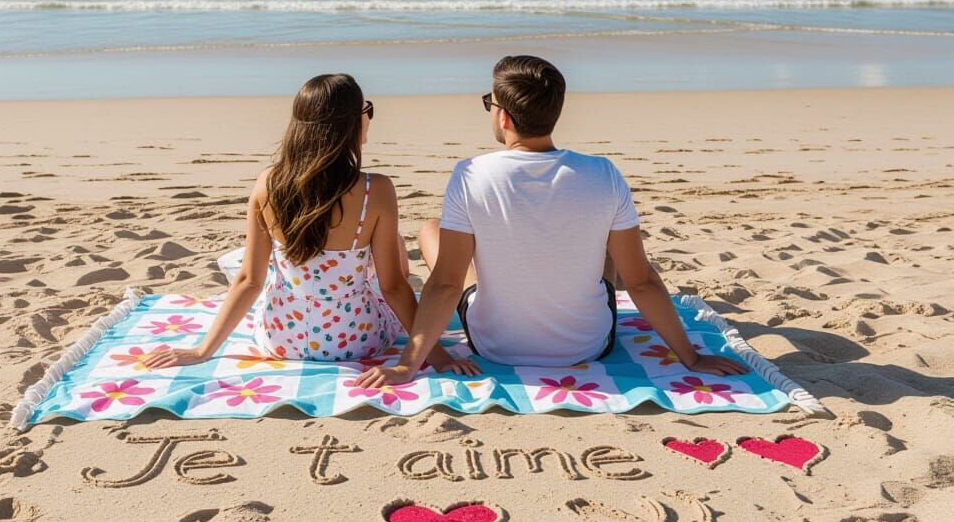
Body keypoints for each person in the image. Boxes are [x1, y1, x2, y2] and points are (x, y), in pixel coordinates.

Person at [356, 55, 747, 388]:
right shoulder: (604, 174)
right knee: (606, 243)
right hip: (586, 345)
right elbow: (641, 281)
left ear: (504, 116)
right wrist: (691, 357)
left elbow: (445, 285)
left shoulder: (471, 174)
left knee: (433, 229)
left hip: (494, 345)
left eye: (490, 103)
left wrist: (408, 365)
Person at [143, 73, 480, 375]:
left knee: (259, 265)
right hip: (357, 339)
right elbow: (393, 286)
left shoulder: (268, 184)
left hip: (281, 339)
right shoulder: (374, 190)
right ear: (352, 123)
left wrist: (203, 351)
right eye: (366, 110)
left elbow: (249, 281)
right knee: (392, 257)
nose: (368, 118)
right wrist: (437, 357)